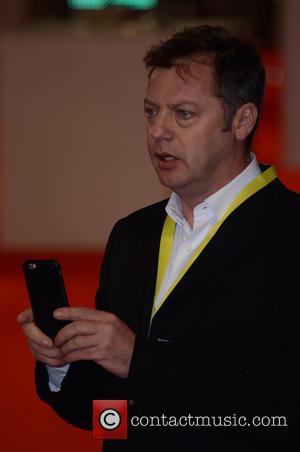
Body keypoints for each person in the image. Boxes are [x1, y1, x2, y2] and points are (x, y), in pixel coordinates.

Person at [17, 25, 300, 451]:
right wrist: (62, 366)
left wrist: (137, 360)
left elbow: (281, 414)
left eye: (183, 114)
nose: (158, 132)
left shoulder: (290, 234)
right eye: (152, 112)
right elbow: (111, 419)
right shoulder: (132, 234)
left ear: (242, 120)